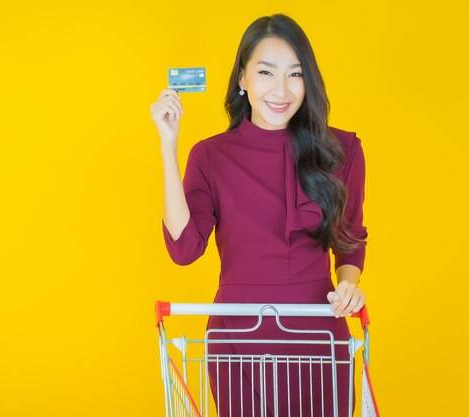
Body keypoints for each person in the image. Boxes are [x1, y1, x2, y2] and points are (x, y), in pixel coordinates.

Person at [150, 13, 368, 417]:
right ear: (243, 79)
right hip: (237, 339)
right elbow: (183, 249)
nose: (281, 90)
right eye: (266, 72)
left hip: (318, 339)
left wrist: (349, 284)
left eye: (295, 74)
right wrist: (169, 146)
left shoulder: (341, 151)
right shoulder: (211, 155)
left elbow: (350, 239)